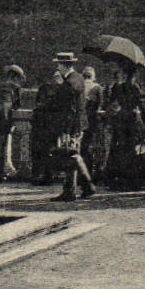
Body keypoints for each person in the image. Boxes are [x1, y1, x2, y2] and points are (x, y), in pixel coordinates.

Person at [49, 52, 95, 201]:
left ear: (64, 65)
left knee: (71, 155)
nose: (57, 67)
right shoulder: (79, 78)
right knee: (72, 155)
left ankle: (84, 186)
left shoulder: (69, 83)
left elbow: (68, 106)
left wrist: (59, 86)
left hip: (71, 126)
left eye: (58, 64)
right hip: (78, 124)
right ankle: (73, 189)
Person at [103, 63, 145, 191]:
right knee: (123, 151)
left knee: (125, 150)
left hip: (126, 123)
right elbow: (110, 104)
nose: (121, 76)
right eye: (120, 74)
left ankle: (124, 181)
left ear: (126, 75)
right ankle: (124, 181)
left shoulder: (126, 88)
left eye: (123, 74)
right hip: (124, 122)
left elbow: (142, 108)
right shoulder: (121, 88)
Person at [28, 67, 63, 186]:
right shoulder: (61, 90)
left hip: (39, 123)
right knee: (50, 150)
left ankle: (36, 175)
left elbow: (37, 104)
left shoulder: (44, 88)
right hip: (52, 124)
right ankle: (48, 176)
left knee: (37, 150)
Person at [81, 66, 109, 185]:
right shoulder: (97, 87)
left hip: (81, 120)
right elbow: (102, 105)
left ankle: (82, 174)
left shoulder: (80, 86)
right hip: (94, 121)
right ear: (93, 76)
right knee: (97, 147)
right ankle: (95, 174)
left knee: (83, 147)